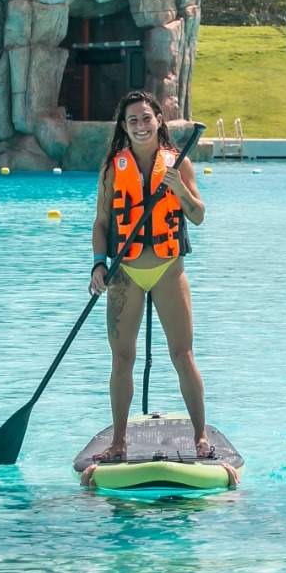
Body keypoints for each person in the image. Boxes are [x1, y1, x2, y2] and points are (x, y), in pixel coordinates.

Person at [87, 91, 210, 462]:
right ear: (124, 127)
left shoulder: (178, 164)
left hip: (168, 273)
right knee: (122, 358)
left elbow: (199, 214)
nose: (140, 126)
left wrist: (178, 188)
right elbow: (102, 222)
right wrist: (97, 264)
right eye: (132, 121)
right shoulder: (113, 166)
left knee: (182, 354)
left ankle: (201, 435)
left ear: (159, 120)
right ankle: (119, 441)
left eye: (146, 118)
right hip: (125, 275)